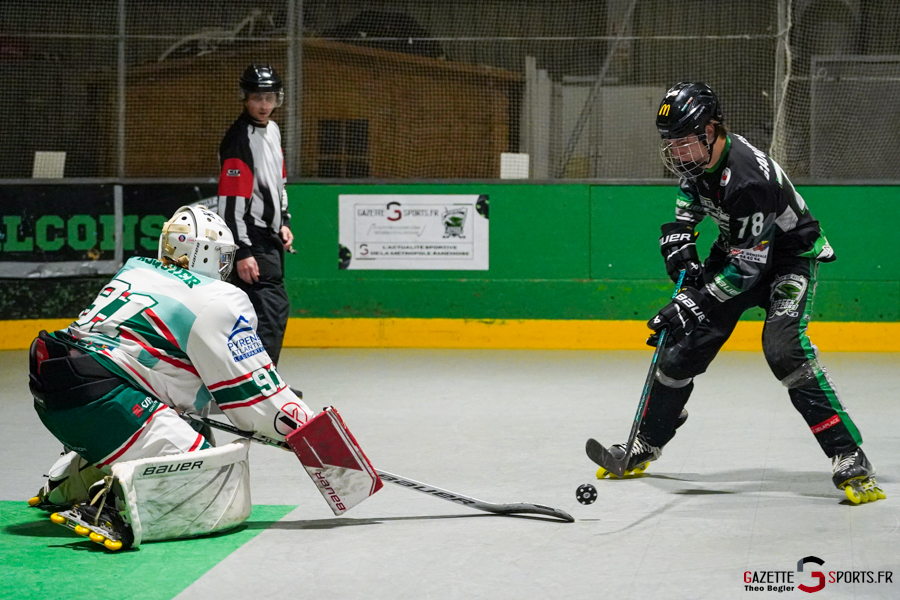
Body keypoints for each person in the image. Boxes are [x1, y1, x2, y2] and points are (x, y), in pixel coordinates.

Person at [600, 82, 884, 504]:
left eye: (683, 142)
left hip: (786, 260)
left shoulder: (746, 178)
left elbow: (750, 269)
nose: (676, 153)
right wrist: (681, 242)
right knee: (681, 348)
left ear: (710, 130)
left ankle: (848, 454)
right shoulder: (698, 164)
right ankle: (647, 441)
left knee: (784, 350)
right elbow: (690, 204)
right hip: (740, 250)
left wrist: (694, 301)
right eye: (670, 143)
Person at [27, 205, 317, 550]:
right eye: (221, 257)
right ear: (205, 254)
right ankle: (110, 508)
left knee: (176, 430)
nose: (225, 267)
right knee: (214, 478)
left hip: (53, 390)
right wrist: (309, 433)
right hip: (105, 400)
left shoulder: (137, 271)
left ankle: (64, 483)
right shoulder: (215, 298)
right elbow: (254, 395)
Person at [217, 63, 293, 366]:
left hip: (269, 238)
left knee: (259, 313)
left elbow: (279, 182)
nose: (264, 105)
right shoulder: (239, 139)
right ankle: (262, 385)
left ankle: (250, 382)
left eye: (270, 98)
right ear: (245, 98)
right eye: (258, 98)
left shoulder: (272, 130)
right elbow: (231, 203)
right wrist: (244, 250)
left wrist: (284, 221)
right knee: (270, 311)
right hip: (253, 242)